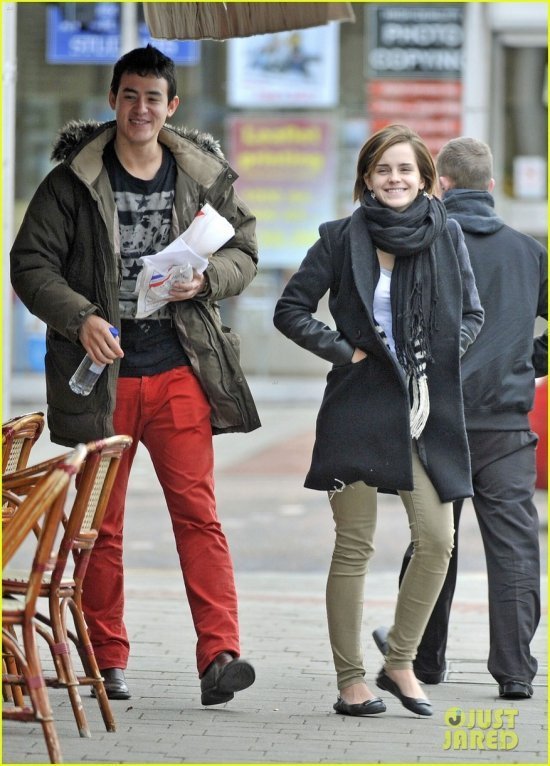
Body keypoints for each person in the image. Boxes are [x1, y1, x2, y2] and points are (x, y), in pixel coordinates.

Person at [10, 45, 260, 706]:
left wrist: (208, 279)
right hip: (103, 376)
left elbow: (244, 249)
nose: (140, 109)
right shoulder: (72, 182)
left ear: (171, 106)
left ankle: (220, 655)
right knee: (100, 523)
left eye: (153, 97)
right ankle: (106, 658)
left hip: (181, 369)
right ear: (112, 101)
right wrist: (81, 318)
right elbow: (30, 264)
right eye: (129, 96)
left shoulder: (201, 175)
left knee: (198, 515)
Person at [273, 124, 484, 718]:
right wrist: (346, 352)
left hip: (422, 407)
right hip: (357, 405)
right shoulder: (340, 238)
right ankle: (349, 681)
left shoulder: (447, 233)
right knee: (354, 545)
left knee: (437, 540)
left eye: (405, 169)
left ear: (425, 178)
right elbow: (290, 310)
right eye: (383, 169)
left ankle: (400, 662)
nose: (394, 179)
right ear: (367, 177)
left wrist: (434, 358)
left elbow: (472, 313)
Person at [373, 137, 547, 700]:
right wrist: (529, 361)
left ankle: (422, 659)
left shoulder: (423, 243)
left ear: (440, 185)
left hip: (436, 420)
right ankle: (515, 672)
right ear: (491, 187)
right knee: (515, 547)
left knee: (433, 539)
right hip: (506, 424)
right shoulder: (529, 253)